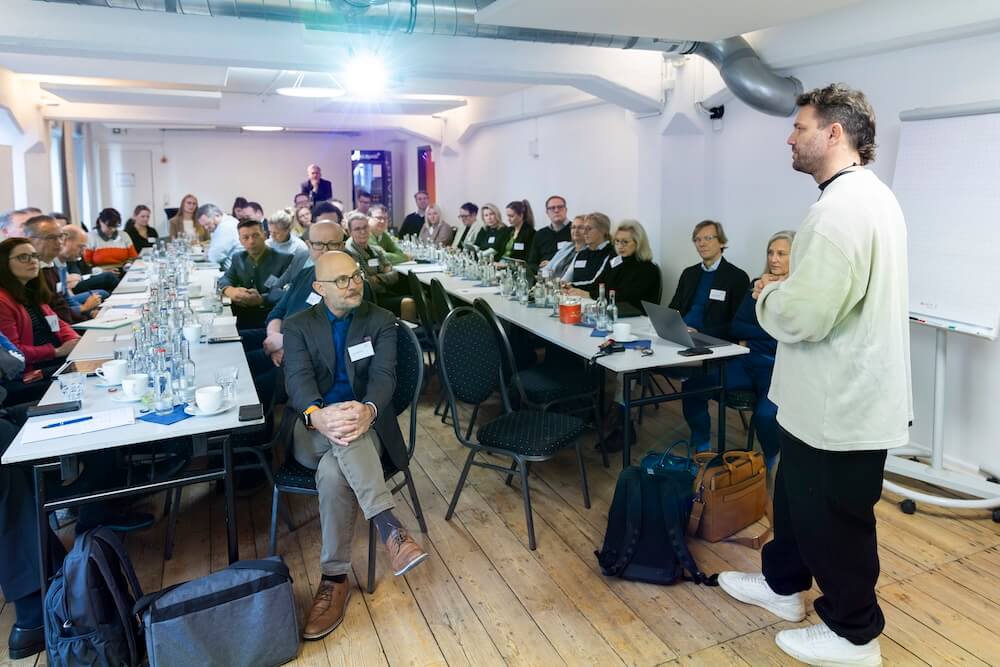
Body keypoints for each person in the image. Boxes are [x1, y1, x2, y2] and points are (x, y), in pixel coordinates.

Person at [717, 84, 911, 667]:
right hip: (822, 399)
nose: (790, 136)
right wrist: (789, 292)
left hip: (841, 403)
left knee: (837, 522)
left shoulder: (840, 210)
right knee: (800, 507)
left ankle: (856, 635)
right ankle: (784, 587)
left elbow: (806, 314)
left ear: (834, 132)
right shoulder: (863, 198)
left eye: (800, 127)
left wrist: (768, 295)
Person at [283, 251, 428, 640]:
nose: (354, 284)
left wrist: (367, 409)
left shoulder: (380, 320)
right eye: (342, 280)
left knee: (335, 470)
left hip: (367, 427)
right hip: (311, 429)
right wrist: (318, 415)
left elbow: (384, 378)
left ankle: (334, 579)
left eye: (356, 276)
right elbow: (296, 382)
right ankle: (390, 528)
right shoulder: (298, 326)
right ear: (319, 288)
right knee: (340, 435)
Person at [681, 231, 793, 458]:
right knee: (692, 386)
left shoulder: (799, 292)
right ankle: (702, 444)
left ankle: (771, 458)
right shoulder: (757, 284)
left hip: (777, 368)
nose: (774, 258)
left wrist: (755, 339)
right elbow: (737, 327)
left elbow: (789, 336)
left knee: (765, 415)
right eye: (770, 252)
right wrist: (767, 336)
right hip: (746, 361)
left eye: (781, 253)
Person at [263, 222, 346, 367]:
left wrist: (285, 342)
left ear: (342, 246)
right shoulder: (304, 274)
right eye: (319, 244)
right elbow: (278, 311)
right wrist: (273, 338)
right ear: (309, 245)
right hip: (280, 342)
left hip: (309, 361)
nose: (325, 251)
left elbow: (336, 336)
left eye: (332, 245)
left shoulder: (348, 286)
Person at [0, 238, 79, 371]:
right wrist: (57, 351)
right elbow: (14, 353)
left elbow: (57, 323)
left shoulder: (30, 290)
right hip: (34, 371)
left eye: (34, 256)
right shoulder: (2, 301)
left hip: (55, 359)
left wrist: (74, 339)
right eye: (23, 257)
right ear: (3, 263)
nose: (33, 261)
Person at [667, 220, 749, 340]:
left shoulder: (737, 277)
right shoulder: (689, 273)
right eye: (697, 239)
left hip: (709, 339)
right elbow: (674, 308)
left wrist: (700, 332)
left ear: (722, 242)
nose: (702, 244)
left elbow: (736, 325)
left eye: (708, 238)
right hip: (680, 334)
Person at [569, 219, 660, 313]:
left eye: (625, 242)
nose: (620, 246)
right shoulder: (615, 261)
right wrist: (572, 287)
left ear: (638, 243)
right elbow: (598, 284)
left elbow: (625, 297)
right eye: (617, 241)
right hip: (613, 312)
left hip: (636, 318)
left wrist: (589, 294)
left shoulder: (647, 269)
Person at [218, 219, 294, 330]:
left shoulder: (284, 259)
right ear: (240, 240)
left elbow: (289, 293)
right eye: (246, 237)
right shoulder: (238, 258)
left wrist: (262, 300)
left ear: (265, 235)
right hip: (241, 318)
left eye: (256, 235)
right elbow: (226, 278)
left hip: (270, 321)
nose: (251, 241)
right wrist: (230, 290)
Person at [25, 216, 98, 322]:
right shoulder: (31, 273)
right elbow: (48, 316)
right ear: (30, 240)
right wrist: (83, 311)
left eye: (61, 236)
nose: (59, 242)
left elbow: (62, 303)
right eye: (51, 237)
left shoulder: (52, 267)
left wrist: (88, 314)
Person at [344, 213, 415, 321]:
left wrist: (378, 278)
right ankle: (405, 336)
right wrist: (384, 274)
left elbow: (394, 275)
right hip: (368, 300)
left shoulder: (375, 250)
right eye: (357, 229)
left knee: (418, 294)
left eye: (365, 227)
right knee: (409, 303)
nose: (362, 232)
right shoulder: (350, 253)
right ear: (350, 232)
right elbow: (366, 283)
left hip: (383, 292)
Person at [59, 225, 119, 295]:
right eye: (80, 246)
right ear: (64, 241)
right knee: (107, 281)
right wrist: (64, 284)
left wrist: (78, 277)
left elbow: (81, 274)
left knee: (107, 291)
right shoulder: (53, 261)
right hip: (66, 293)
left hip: (74, 287)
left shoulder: (69, 257)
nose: (82, 252)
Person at [564, 212, 613, 288]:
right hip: (573, 296)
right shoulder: (581, 253)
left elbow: (596, 282)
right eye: (584, 228)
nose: (585, 232)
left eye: (589, 229)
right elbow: (566, 278)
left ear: (603, 231)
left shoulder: (611, 252)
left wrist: (570, 286)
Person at [527, 195, 572, 274]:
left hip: (566, 277)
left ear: (566, 210)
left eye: (560, 207)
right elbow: (531, 262)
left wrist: (552, 264)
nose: (556, 210)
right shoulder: (540, 234)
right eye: (552, 208)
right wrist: (541, 270)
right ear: (547, 212)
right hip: (543, 277)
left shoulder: (575, 231)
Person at [197, 203, 241, 270]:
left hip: (234, 274)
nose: (206, 228)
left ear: (217, 215)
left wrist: (208, 254)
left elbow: (214, 257)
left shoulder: (226, 227)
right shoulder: (227, 222)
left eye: (207, 224)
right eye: (203, 226)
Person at [265, 209, 309, 275]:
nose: (272, 236)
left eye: (276, 233)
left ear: (288, 230)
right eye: (270, 232)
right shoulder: (266, 245)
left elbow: (302, 275)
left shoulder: (300, 248)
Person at [542, 215, 586, 280]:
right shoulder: (567, 246)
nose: (576, 230)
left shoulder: (589, 251)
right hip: (552, 285)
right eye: (573, 227)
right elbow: (548, 268)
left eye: (580, 228)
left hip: (569, 287)